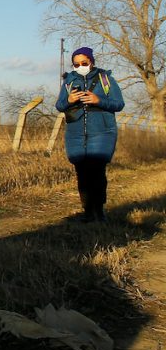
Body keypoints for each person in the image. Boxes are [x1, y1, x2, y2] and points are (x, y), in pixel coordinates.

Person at [55, 47, 124, 223]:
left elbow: (119, 103)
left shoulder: (105, 79)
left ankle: (99, 212)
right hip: (75, 132)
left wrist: (98, 100)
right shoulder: (69, 81)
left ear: (91, 61)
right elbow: (59, 105)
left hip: (102, 131)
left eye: (84, 63)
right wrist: (69, 100)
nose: (80, 66)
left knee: (97, 170)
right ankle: (87, 211)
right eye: (76, 64)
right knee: (82, 171)